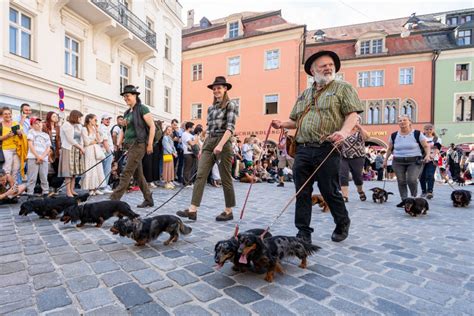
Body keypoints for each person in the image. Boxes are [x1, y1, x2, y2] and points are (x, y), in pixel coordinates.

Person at [271, 50, 364, 243]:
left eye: (331, 65)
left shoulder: (343, 88)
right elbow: (295, 121)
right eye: (323, 66)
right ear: (313, 71)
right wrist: (282, 124)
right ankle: (303, 232)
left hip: (327, 148)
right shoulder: (305, 94)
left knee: (329, 190)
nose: (328, 68)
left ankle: (342, 221)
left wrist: (344, 132)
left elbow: (352, 114)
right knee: (301, 191)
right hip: (303, 148)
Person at [177, 76, 238, 222]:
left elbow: (230, 128)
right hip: (210, 142)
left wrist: (220, 145)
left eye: (219, 88)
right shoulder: (210, 108)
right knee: (200, 175)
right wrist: (203, 148)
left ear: (225, 89)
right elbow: (209, 129)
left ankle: (228, 211)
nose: (216, 90)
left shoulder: (231, 105)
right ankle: (193, 210)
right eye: (214, 88)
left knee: (225, 177)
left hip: (224, 141)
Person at [110, 85, 155, 208]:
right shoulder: (127, 112)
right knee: (137, 174)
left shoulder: (142, 109)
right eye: (124, 96)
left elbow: (152, 126)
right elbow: (123, 130)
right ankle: (148, 199)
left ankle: (112, 201)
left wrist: (150, 144)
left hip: (139, 144)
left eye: (127, 96)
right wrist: (118, 144)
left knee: (126, 172)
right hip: (128, 145)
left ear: (135, 95)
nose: (125, 98)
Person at [383, 115, 430, 207]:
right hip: (398, 161)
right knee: (401, 181)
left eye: (404, 120)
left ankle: (414, 198)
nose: (402, 122)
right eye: (400, 120)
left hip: (414, 161)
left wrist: (427, 155)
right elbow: (389, 149)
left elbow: (426, 146)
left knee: (411, 180)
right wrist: (385, 160)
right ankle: (404, 200)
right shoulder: (394, 135)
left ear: (409, 122)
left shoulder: (417, 133)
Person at [339, 116, 369, 201]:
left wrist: (359, 126)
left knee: (357, 177)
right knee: (343, 175)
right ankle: (345, 196)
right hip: (344, 157)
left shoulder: (360, 132)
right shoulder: (345, 132)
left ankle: (360, 191)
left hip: (358, 157)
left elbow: (367, 137)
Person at [58, 110, 85, 197]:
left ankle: (72, 190)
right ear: (75, 117)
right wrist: (80, 147)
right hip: (68, 149)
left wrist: (81, 147)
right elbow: (70, 139)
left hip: (76, 149)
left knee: (73, 172)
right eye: (79, 117)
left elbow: (81, 138)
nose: (80, 119)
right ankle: (68, 191)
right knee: (68, 172)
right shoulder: (66, 125)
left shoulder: (78, 126)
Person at [81, 114, 106, 196]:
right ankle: (90, 188)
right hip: (89, 150)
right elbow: (86, 142)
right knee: (90, 168)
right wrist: (95, 141)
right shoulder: (84, 129)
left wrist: (97, 130)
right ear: (89, 119)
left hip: (96, 150)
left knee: (98, 168)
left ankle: (96, 188)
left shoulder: (94, 129)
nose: (96, 121)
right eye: (95, 120)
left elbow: (99, 140)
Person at [26, 117, 51, 196]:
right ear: (32, 125)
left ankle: (45, 192)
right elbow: (30, 145)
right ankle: (30, 193)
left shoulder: (46, 135)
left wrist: (42, 157)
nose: (38, 125)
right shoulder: (31, 133)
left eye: (39, 123)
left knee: (44, 176)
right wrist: (37, 156)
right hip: (33, 157)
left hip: (43, 158)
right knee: (32, 177)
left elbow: (48, 148)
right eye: (35, 123)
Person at [0, 107, 24, 182]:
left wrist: (20, 133)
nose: (8, 115)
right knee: (7, 170)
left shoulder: (16, 123)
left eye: (9, 113)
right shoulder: (0, 125)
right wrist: (7, 136)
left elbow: (23, 135)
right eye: (5, 114)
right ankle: (6, 190)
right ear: (1, 115)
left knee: (15, 171)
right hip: (6, 149)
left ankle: (14, 191)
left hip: (17, 149)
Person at [419, 124, 442, 199]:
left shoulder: (436, 139)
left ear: (433, 130)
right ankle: (423, 191)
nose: (428, 131)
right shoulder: (421, 137)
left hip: (432, 160)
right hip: (422, 159)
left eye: (430, 129)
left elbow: (437, 149)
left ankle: (430, 191)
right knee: (422, 176)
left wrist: (431, 156)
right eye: (427, 129)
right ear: (424, 130)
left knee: (430, 175)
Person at [42, 111, 62, 191]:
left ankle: (55, 186)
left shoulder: (58, 127)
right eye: (54, 116)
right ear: (49, 117)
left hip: (56, 148)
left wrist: (60, 148)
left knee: (56, 168)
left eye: (56, 116)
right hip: (47, 147)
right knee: (47, 169)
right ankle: (47, 186)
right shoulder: (44, 126)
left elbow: (59, 139)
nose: (56, 117)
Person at [142, 120, 162, 188]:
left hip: (153, 146)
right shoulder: (146, 127)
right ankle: (149, 181)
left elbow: (157, 137)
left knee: (153, 165)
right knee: (148, 164)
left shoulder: (155, 127)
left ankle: (152, 180)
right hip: (148, 146)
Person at [99, 114, 114, 193]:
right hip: (106, 151)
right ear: (102, 120)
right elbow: (104, 141)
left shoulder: (105, 128)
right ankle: (103, 187)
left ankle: (104, 185)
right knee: (106, 169)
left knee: (106, 169)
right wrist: (110, 152)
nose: (108, 120)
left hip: (106, 150)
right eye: (106, 119)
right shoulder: (103, 128)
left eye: (109, 119)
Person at [181, 122, 197, 187]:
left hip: (192, 153)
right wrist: (197, 139)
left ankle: (189, 182)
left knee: (191, 169)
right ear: (189, 128)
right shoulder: (185, 134)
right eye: (192, 127)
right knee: (187, 168)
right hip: (187, 153)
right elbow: (192, 143)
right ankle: (185, 182)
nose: (193, 129)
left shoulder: (190, 134)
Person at [172, 119, 184, 184]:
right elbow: (174, 139)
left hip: (177, 150)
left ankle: (173, 178)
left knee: (175, 164)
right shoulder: (171, 131)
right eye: (174, 125)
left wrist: (178, 138)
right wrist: (178, 139)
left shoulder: (176, 132)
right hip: (172, 150)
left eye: (176, 125)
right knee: (172, 165)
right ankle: (171, 179)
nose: (175, 126)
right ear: (171, 124)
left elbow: (178, 140)